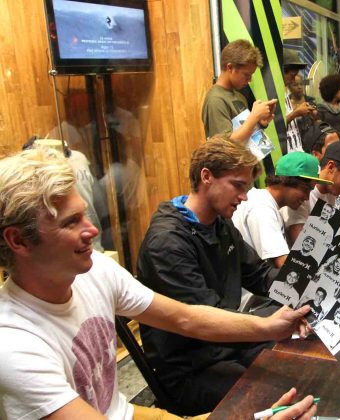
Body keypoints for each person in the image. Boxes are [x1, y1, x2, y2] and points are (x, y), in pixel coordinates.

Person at [0, 147, 315, 420]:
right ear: (19, 240)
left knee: (292, 386)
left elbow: (185, 316)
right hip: (192, 370)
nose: (92, 231)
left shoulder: (97, 270)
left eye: (85, 216)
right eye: (71, 222)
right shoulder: (14, 344)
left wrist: (273, 326)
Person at [136, 137, 289, 414]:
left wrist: (304, 288)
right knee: (277, 394)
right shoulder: (167, 243)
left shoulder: (221, 225)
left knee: (295, 361)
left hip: (225, 346)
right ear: (207, 176)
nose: (243, 197)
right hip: (190, 367)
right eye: (238, 186)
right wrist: (272, 324)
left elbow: (259, 275)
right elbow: (206, 318)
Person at [232, 151, 331, 268]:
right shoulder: (262, 206)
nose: (307, 197)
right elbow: (282, 264)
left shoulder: (268, 204)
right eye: (305, 189)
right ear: (286, 180)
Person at [201, 39, 277, 142]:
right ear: (230, 67)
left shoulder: (239, 96)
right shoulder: (215, 100)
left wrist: (259, 123)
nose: (249, 80)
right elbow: (225, 146)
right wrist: (254, 116)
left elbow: (244, 136)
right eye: (246, 74)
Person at [283, 48, 314, 152]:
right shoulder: (272, 94)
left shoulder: (286, 92)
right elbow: (274, 126)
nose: (293, 79)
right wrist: (296, 113)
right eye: (292, 75)